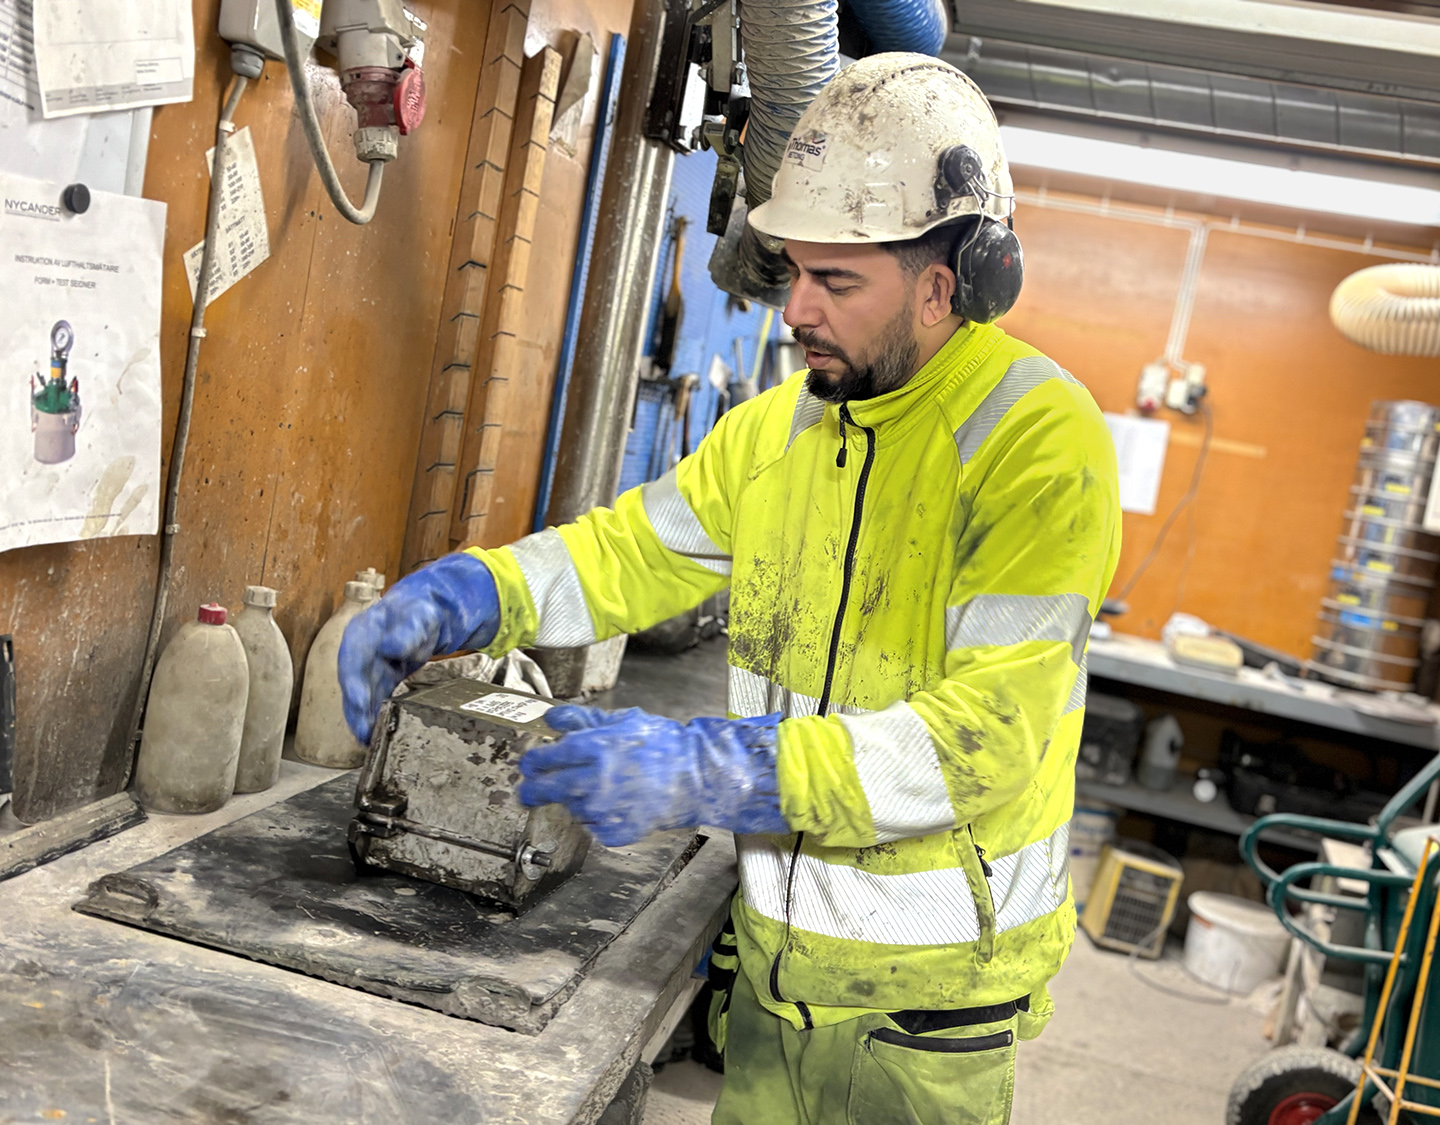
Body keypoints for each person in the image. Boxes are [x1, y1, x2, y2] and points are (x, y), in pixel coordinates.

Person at [339, 52, 1120, 1125]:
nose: (795, 308)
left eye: (836, 282)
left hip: (921, 1018)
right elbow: (630, 552)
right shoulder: (783, 426)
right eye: (795, 270)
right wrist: (474, 590)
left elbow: (981, 739)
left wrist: (703, 769)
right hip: (772, 980)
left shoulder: (1036, 442)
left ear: (945, 285)